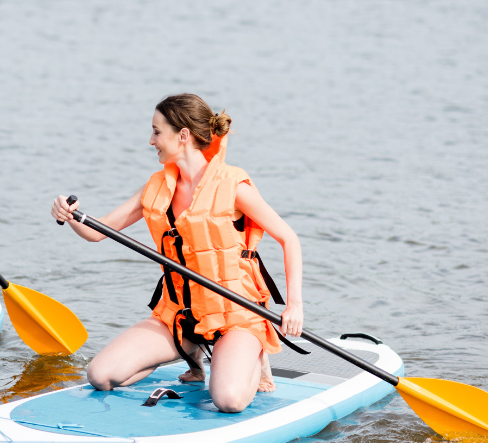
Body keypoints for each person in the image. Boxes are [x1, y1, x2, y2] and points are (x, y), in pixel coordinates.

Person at [51, 94, 304, 412]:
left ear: (182, 135)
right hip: (181, 316)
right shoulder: (156, 187)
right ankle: (191, 351)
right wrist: (69, 215)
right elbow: (96, 232)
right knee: (100, 375)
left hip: (237, 316)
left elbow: (289, 238)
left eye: (157, 131)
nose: (150, 140)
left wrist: (294, 306)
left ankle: (254, 356)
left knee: (228, 400)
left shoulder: (233, 186)